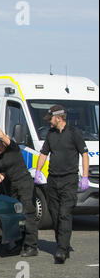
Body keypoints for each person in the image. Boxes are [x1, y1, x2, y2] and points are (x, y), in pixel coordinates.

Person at [34, 105, 89, 264]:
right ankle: (63, 243)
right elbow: (44, 153)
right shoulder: (50, 134)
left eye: (50, 118)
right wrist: (38, 171)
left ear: (58, 117)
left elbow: (84, 154)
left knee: (65, 213)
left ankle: (62, 250)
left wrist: (84, 176)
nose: (49, 122)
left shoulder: (74, 133)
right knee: (55, 214)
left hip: (69, 180)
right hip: (53, 180)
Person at [0, 121, 39, 257]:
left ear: (3, 143)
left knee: (28, 214)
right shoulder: (1, 157)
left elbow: (2, 136)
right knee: (17, 217)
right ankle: (19, 245)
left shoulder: (12, 148)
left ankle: (32, 246)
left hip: (24, 183)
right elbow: (3, 174)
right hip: (14, 185)